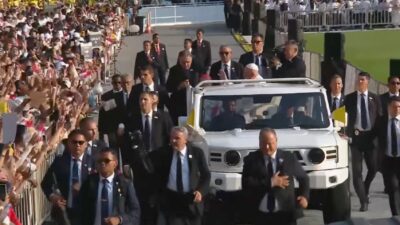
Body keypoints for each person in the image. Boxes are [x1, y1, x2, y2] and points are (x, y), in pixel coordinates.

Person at [242, 128, 309, 225]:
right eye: (263, 143)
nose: (267, 147)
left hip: (285, 214)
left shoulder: (288, 157)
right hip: (259, 215)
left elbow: (303, 178)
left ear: (276, 141)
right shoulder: (251, 159)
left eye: (270, 143)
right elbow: (246, 183)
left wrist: (304, 196)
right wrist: (271, 182)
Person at [151, 126, 211, 225]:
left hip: (191, 200)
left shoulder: (197, 153)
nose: (173, 141)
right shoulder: (164, 153)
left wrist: (201, 191)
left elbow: (206, 175)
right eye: (172, 138)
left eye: (177, 138)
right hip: (173, 200)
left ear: (185, 140)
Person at [344, 72, 382, 211]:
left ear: (367, 82)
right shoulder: (349, 98)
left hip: (371, 139)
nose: (359, 82)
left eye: (362, 80)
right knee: (357, 172)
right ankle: (363, 200)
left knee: (373, 168)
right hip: (356, 138)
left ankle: (365, 188)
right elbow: (341, 116)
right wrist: (344, 133)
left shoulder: (374, 98)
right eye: (358, 80)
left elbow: (380, 118)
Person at [41, 129, 94, 225]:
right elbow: (45, 184)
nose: (77, 145)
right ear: (69, 143)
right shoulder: (60, 162)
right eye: (74, 142)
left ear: (86, 145)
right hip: (67, 210)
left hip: (88, 210)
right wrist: (53, 197)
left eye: (81, 142)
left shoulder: (93, 162)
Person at [78, 148, 141, 225]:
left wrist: (119, 219)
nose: (103, 163)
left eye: (107, 161)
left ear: (115, 163)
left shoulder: (125, 184)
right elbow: (80, 209)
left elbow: (135, 212)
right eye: (99, 161)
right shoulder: (89, 183)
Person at [378, 96, 400, 216]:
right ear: (388, 108)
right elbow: (371, 134)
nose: (396, 109)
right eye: (394, 107)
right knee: (393, 187)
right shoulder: (381, 121)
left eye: (399, 107)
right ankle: (396, 215)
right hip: (388, 160)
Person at [167, 50, 200, 124]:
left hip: (193, 104)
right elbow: (168, 87)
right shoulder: (174, 70)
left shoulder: (195, 70)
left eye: (188, 62)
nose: (186, 64)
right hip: (178, 105)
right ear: (179, 60)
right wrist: (179, 86)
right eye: (183, 62)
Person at [98, 74, 127, 147]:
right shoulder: (105, 96)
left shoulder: (126, 95)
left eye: (119, 82)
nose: (117, 84)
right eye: (115, 83)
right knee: (113, 150)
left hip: (125, 126)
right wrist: (101, 131)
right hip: (111, 128)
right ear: (112, 83)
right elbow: (102, 114)